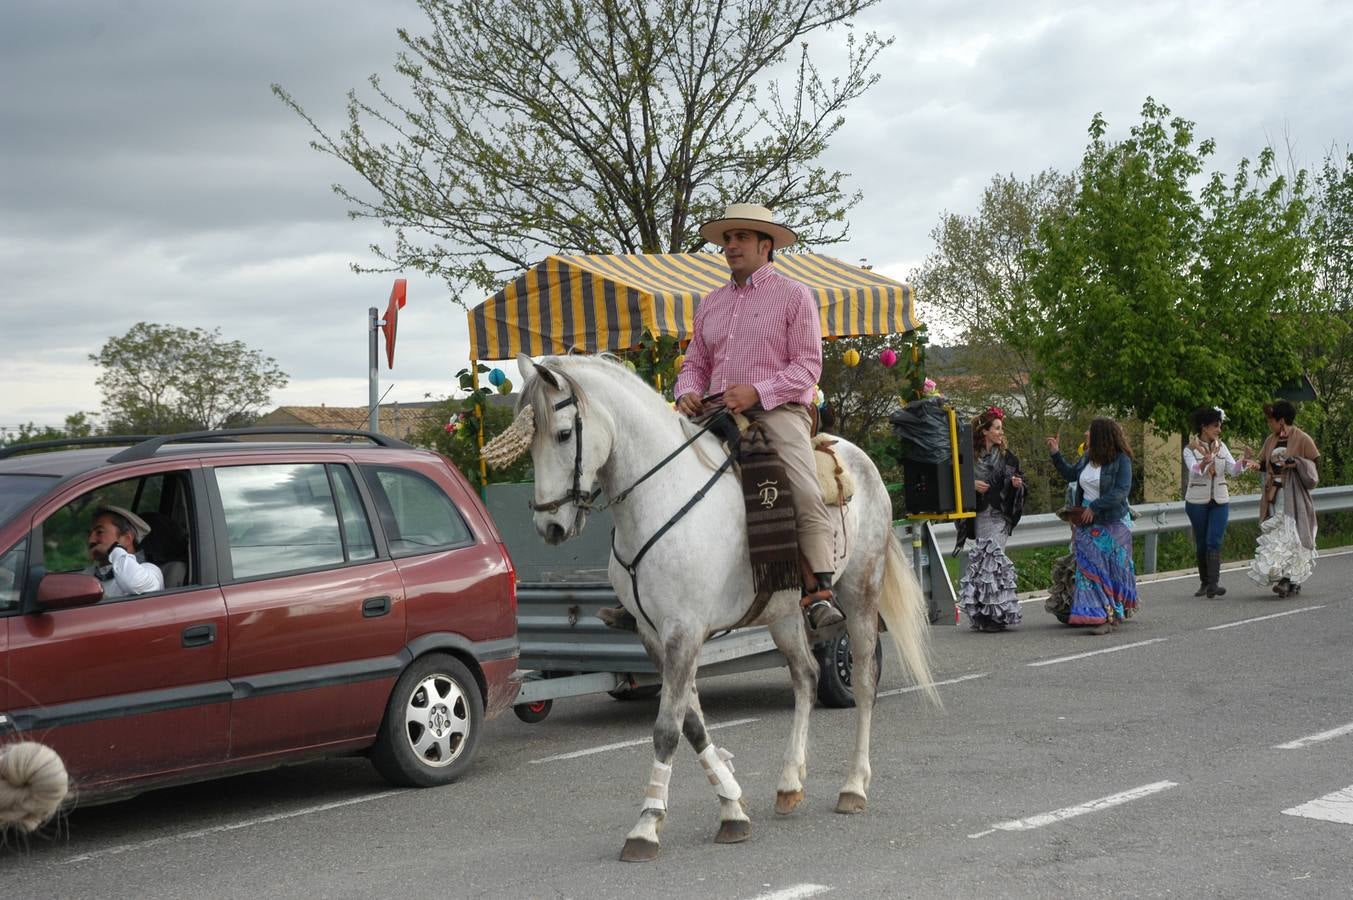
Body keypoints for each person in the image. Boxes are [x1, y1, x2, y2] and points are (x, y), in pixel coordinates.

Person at [672, 202, 844, 631]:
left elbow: (808, 367)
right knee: (658, 470)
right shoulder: (710, 303)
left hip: (779, 410)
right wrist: (687, 391)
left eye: (741, 237)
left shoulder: (794, 294)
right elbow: (695, 363)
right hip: (713, 410)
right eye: (727, 239)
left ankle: (819, 589)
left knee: (801, 489)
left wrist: (758, 391)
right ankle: (654, 588)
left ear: (766, 246)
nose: (731, 245)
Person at [1046, 418, 1138, 634]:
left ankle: (1110, 616)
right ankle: (1096, 616)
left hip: (1111, 521)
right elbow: (1071, 475)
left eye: (1090, 431)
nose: (1086, 433)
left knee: (1109, 572)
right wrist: (1055, 454)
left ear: (1101, 436)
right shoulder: (1088, 457)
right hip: (1085, 522)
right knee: (1089, 570)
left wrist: (1095, 507)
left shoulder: (1121, 460)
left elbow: (1121, 491)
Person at [955, 407, 1025, 632]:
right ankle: (983, 613)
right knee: (982, 561)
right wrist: (972, 485)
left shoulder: (1007, 457)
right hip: (979, 515)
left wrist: (1017, 484)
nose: (1000, 433)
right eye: (996, 428)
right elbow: (955, 480)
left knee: (993, 560)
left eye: (1001, 429)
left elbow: (1020, 480)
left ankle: (997, 614)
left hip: (999, 515)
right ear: (985, 431)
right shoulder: (968, 457)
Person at [1249, 400, 1320, 598]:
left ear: (1281, 421)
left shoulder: (1302, 438)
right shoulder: (1270, 440)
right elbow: (1264, 463)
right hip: (1274, 494)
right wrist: (1256, 465)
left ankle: (1289, 579)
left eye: (1271, 420)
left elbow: (1314, 465)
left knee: (1292, 535)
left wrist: (1296, 464)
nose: (1269, 424)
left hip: (1293, 494)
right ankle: (1286, 577)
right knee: (1278, 536)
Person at [1183, 406, 1254, 598]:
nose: (1219, 430)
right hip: (1197, 501)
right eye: (1215, 426)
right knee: (1201, 542)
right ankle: (1204, 583)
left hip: (1220, 500)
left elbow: (1232, 470)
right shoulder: (1190, 449)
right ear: (1204, 427)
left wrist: (1244, 461)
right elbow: (1194, 471)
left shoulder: (1221, 447)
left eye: (1219, 425)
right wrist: (1205, 462)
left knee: (1214, 540)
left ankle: (1213, 584)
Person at [87, 505, 164, 598]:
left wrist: (113, 549)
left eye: (100, 532)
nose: (90, 540)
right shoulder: (88, 575)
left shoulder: (150, 571)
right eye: (89, 534)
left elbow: (134, 584)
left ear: (127, 539)